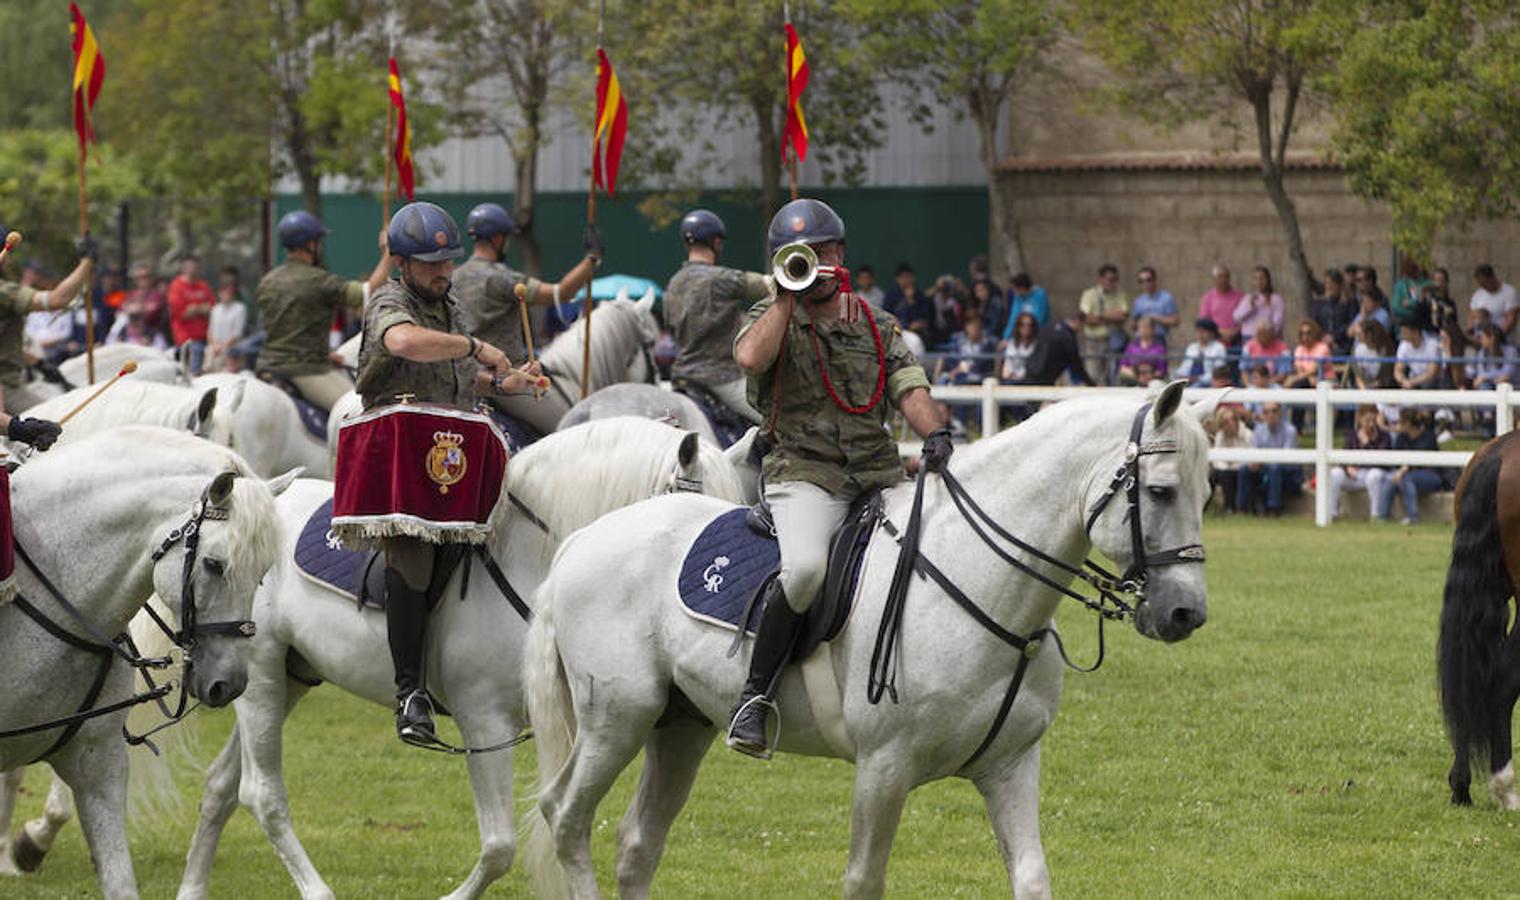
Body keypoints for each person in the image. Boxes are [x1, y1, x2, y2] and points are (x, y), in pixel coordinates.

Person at [727, 198, 946, 759]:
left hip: (876, 472)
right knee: (802, 573)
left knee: (938, 553)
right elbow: (750, 360)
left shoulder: (877, 323)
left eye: (822, 252)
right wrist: (785, 298)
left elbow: (909, 385)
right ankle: (756, 697)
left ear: (840, 254)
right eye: (799, 255)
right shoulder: (769, 317)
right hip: (804, 473)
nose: (814, 262)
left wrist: (936, 435)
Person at [352, 201, 540, 745]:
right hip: (398, 452)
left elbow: (461, 377)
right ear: (402, 263)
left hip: (450, 444)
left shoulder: (451, 302)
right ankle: (409, 693)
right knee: (413, 557)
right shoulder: (390, 299)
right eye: (430, 264)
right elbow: (404, 342)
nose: (442, 272)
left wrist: (510, 384)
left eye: (447, 262)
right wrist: (478, 346)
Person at [452, 201, 603, 432]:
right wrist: (591, 259)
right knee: (572, 428)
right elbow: (561, 293)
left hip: (462, 378)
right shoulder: (502, 278)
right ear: (499, 239)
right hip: (506, 381)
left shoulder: (454, 277)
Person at [256, 210, 393, 412]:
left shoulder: (267, 281)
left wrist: (324, 353)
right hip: (306, 370)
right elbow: (368, 291)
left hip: (265, 366)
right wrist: (390, 252)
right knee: (362, 411)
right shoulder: (319, 280)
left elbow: (285, 329)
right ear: (310, 244)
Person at [659, 208, 767, 424]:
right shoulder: (721, 279)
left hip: (680, 378)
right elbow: (769, 285)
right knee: (778, 422)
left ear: (687, 243)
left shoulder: (673, 284)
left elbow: (670, 328)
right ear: (716, 242)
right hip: (723, 379)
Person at [1, 232, 96, 411]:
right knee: (61, 423)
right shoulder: (4, 292)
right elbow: (57, 300)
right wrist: (87, 262)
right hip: (5, 387)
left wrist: (38, 363)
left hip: (12, 379)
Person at [1327, 406, 1391, 522]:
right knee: (1335, 474)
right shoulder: (1352, 435)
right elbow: (1343, 458)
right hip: (1355, 474)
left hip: (1373, 473)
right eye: (1367, 421)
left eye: (1373, 420)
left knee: (1374, 475)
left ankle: (1375, 514)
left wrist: (1368, 443)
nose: (1371, 424)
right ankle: (1333, 513)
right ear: (1360, 419)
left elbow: (1382, 462)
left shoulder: (1383, 436)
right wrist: (1347, 468)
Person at [1238, 401, 1301, 516]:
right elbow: (1254, 450)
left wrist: (1262, 461)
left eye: (1274, 411)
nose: (1270, 415)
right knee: (1244, 469)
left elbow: (1286, 458)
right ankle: (1242, 508)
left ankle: (1273, 509)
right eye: (1266, 412)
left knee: (1274, 467)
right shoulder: (1259, 429)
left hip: (1288, 472)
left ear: (1280, 413)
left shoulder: (1290, 430)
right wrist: (1254, 461)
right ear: (1262, 414)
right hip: (1265, 467)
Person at [1384, 410, 1442, 525]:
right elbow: (1396, 461)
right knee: (1389, 480)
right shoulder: (1401, 438)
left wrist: (1405, 469)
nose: (1398, 426)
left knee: (1406, 479)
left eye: (1400, 422)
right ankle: (1381, 516)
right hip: (1406, 475)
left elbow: (1425, 462)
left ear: (1408, 424)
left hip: (1431, 476)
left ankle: (1413, 517)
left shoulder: (1428, 437)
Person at [1077, 263, 1128, 384]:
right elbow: (1086, 318)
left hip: (1113, 342)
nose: (1112, 282)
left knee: (1111, 378)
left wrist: (1099, 315)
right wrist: (1111, 315)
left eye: (1115, 279)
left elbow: (1123, 316)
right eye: (1109, 279)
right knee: (1093, 376)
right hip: (1093, 342)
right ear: (1101, 279)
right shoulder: (1089, 294)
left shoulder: (1120, 294)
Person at [168, 254, 216, 375]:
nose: (192, 269)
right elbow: (182, 314)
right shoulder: (176, 286)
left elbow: (211, 309)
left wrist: (194, 308)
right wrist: (201, 309)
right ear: (183, 268)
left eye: (194, 266)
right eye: (189, 266)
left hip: (206, 337)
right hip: (185, 339)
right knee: (195, 360)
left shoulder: (203, 286)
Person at [1018, 312, 1093, 386]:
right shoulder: (1068, 338)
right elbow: (1077, 366)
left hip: (1030, 371)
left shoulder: (1049, 327)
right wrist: (1091, 384)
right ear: (1079, 323)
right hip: (1045, 379)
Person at [1210, 406, 1250, 513]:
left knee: (1240, 473)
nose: (1230, 424)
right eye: (1226, 422)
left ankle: (1240, 508)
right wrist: (1226, 467)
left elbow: (1249, 459)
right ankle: (1228, 508)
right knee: (1219, 474)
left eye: (1233, 420)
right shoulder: (1220, 436)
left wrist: (1231, 466)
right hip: (1226, 470)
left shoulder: (1247, 435)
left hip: (1242, 469)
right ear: (1221, 425)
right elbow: (1216, 460)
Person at [1234, 266, 1286, 345]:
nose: (1259, 282)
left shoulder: (1276, 299)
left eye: (1262, 278)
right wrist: (1249, 305)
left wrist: (1267, 336)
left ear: (1268, 280)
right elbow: (1236, 317)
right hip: (1249, 338)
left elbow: (1278, 322)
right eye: (1256, 279)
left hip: (1268, 339)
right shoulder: (1248, 298)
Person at [1310, 269, 1358, 356]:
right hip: (1321, 342)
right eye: (1327, 283)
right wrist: (1323, 337)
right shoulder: (1319, 304)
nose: (1329, 287)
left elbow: (1351, 323)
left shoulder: (1349, 303)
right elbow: (1313, 322)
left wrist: (1334, 337)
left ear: (1339, 285)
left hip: (1342, 343)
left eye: (1332, 284)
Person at [206, 276, 249, 373]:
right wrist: (213, 346)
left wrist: (222, 347)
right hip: (214, 349)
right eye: (224, 291)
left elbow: (237, 334)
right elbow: (210, 331)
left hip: (231, 350)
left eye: (230, 291)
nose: (227, 294)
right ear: (219, 293)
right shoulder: (215, 309)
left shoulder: (240, 308)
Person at [940, 313, 996, 385]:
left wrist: (961, 369)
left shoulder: (987, 344)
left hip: (977, 377)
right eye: (971, 325)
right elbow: (952, 360)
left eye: (977, 325)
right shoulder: (959, 341)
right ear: (966, 327)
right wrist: (956, 370)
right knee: (943, 380)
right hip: (957, 375)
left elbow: (982, 366)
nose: (974, 329)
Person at [1198, 265, 1245, 346]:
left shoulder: (1240, 296)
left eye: (1226, 277)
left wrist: (1234, 332)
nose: (1223, 280)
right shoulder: (1207, 298)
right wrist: (1219, 332)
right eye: (1220, 277)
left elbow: (1245, 319)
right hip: (1214, 341)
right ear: (1214, 279)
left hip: (1236, 341)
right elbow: (1204, 321)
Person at [1130, 266, 1179, 344]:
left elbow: (1175, 321)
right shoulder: (1138, 301)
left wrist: (1155, 318)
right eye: (1141, 281)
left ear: (1155, 280)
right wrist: (1137, 322)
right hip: (1140, 339)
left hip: (1158, 338)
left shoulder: (1166, 298)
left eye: (1148, 280)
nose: (1145, 284)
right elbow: (1133, 326)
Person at [1471, 264, 1520, 339]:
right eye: (1480, 284)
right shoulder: (1478, 294)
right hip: (1482, 341)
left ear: (1493, 278)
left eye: (1485, 283)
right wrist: (1472, 334)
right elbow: (1472, 316)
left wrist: (1497, 338)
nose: (1483, 287)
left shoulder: (1509, 292)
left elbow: (1511, 319)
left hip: (1504, 340)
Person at [1394, 317, 1442, 390]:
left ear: (1415, 333)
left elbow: (1432, 373)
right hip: (1413, 379)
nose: (1402, 335)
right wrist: (1403, 380)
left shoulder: (1432, 344)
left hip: (1432, 382)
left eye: (1405, 332)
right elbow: (1398, 370)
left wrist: (1412, 382)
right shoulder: (1404, 345)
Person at [1283, 319, 1333, 389]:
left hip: (1323, 378)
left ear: (1315, 333)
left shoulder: (1322, 347)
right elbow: (1299, 368)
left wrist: (1297, 378)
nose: (1305, 337)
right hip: (1305, 379)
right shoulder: (1299, 349)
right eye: (1302, 333)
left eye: (1308, 333)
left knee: (1299, 383)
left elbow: (1315, 370)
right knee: (1290, 383)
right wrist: (1300, 377)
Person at [1117, 315, 1167, 384]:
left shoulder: (1159, 348)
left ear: (1153, 329)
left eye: (1146, 327)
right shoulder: (1131, 347)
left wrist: (1149, 377)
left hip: (1153, 380)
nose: (1143, 330)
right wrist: (1137, 376)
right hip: (1133, 379)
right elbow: (1123, 367)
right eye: (1141, 327)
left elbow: (1161, 370)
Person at [1180, 317, 1228, 386]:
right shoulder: (1192, 347)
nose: (1200, 333)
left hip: (1207, 383)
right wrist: (1182, 375)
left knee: (1196, 387)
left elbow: (1218, 372)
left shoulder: (1219, 347)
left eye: (1204, 331)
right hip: (1188, 380)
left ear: (1212, 333)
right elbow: (1185, 366)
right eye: (1198, 331)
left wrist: (1198, 378)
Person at [1470, 323, 1517, 389]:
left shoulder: (1510, 351)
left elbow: (1507, 372)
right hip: (1489, 383)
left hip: (1508, 384)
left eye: (1481, 337)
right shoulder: (1482, 352)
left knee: (1503, 384)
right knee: (1484, 386)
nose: (1479, 340)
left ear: (1492, 337)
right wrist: (1488, 377)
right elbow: (1481, 372)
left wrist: (1486, 377)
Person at [1389, 257, 1430, 333]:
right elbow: (1396, 307)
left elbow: (1425, 304)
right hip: (1404, 329)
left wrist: (1411, 303)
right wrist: (1414, 314)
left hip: (1424, 328)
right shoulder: (1401, 285)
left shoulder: (1427, 283)